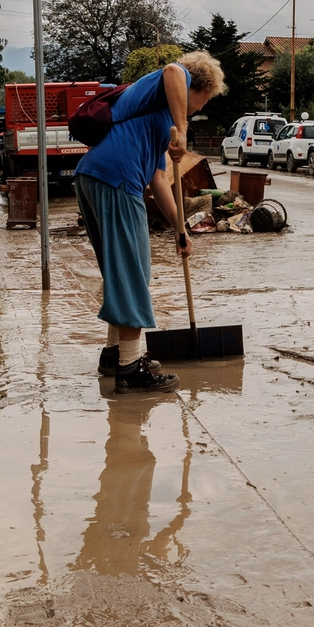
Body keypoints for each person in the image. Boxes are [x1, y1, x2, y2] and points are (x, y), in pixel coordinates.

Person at [76, 51, 226, 391]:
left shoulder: (158, 115)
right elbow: (174, 69)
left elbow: (159, 180)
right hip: (116, 179)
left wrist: (180, 229)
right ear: (199, 86)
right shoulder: (174, 82)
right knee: (133, 273)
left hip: (96, 176)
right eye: (204, 100)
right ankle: (130, 369)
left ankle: (114, 354)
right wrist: (184, 131)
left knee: (121, 272)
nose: (201, 108)